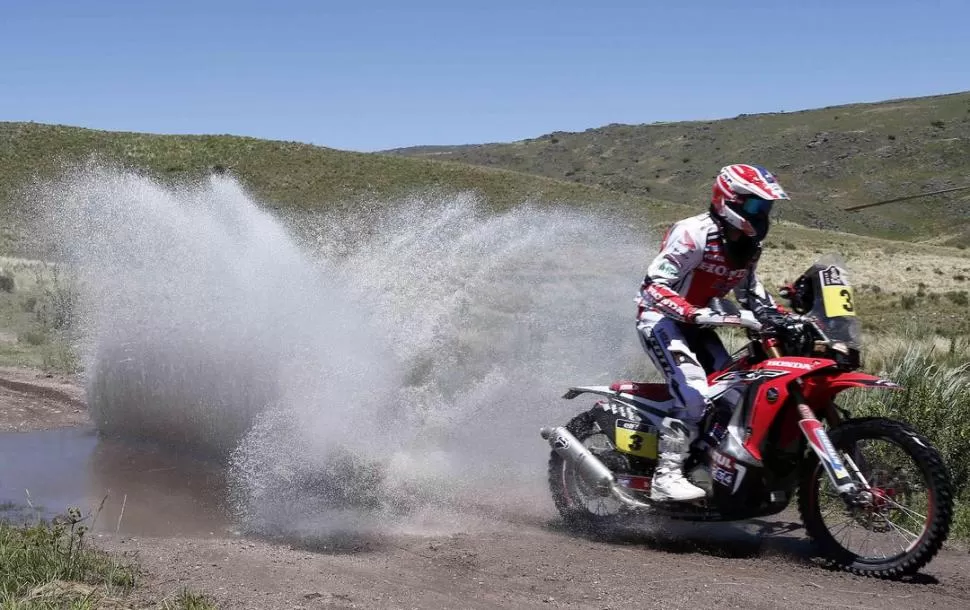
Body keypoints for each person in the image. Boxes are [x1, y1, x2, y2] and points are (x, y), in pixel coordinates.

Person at [636, 164, 791, 502]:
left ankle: (705, 464)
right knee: (693, 393)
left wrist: (786, 317)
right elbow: (653, 287)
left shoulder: (749, 246)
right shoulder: (693, 233)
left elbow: (751, 293)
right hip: (661, 320)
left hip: (700, 325)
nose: (762, 214)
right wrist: (691, 311)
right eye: (755, 206)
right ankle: (666, 475)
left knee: (735, 395)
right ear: (729, 199)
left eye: (766, 208)